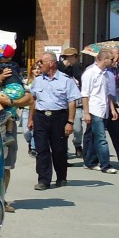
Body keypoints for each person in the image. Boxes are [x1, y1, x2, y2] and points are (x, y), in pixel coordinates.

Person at [0, 50, 31, 211]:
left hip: (6, 123)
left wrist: (10, 101)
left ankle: (0, 200)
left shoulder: (10, 71)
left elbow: (29, 98)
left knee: (6, 165)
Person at [29, 51, 81, 190]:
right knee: (41, 149)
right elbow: (32, 100)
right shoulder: (38, 80)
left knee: (59, 149)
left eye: (41, 62)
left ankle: (61, 176)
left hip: (59, 118)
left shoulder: (66, 80)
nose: (39, 65)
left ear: (51, 63)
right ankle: (43, 180)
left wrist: (70, 122)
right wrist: (31, 119)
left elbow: (72, 102)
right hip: (40, 117)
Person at [80, 48, 117, 174]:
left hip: (104, 108)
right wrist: (86, 112)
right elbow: (85, 94)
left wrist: (112, 109)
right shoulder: (90, 73)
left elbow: (107, 93)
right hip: (94, 109)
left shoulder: (106, 73)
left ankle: (90, 161)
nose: (113, 61)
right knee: (101, 138)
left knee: (93, 136)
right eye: (111, 59)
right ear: (104, 59)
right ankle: (105, 164)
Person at [58, 47, 86, 158]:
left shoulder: (77, 67)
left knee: (78, 128)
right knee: (62, 132)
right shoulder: (58, 67)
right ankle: (63, 153)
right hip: (61, 104)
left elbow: (82, 81)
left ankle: (78, 146)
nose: (77, 59)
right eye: (75, 56)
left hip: (75, 102)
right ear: (69, 56)